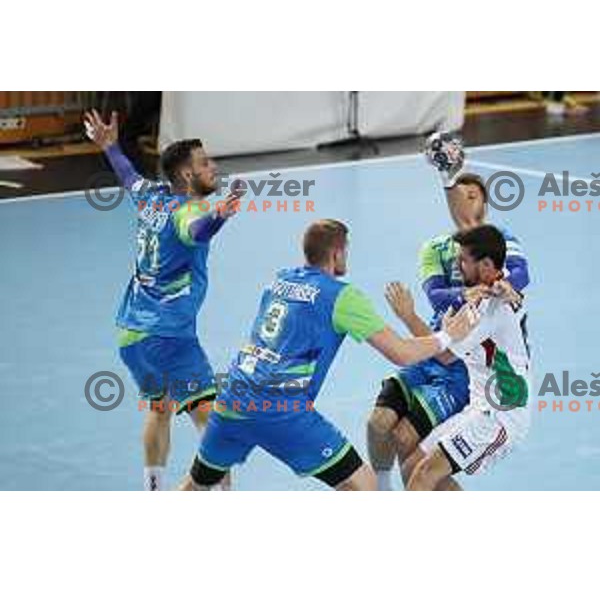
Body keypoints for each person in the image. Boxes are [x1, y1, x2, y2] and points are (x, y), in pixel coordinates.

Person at [182, 219, 479, 491]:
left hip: (232, 397)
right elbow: (401, 353)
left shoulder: (280, 280)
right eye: (345, 251)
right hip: (281, 409)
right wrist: (448, 335)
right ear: (336, 254)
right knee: (364, 486)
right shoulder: (341, 295)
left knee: (194, 486)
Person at [84, 110, 241, 490]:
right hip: (169, 337)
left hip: (132, 336)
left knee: (159, 408)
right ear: (187, 175)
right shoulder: (187, 212)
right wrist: (218, 216)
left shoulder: (152, 196)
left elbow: (127, 177)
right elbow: (195, 230)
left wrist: (110, 146)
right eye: (205, 163)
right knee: (214, 426)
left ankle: (152, 490)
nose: (213, 167)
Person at [367, 171, 530, 490]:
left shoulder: (490, 304)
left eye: (463, 262)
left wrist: (409, 316)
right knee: (415, 463)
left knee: (423, 476)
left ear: (484, 266)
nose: (456, 268)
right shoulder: (483, 293)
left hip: (499, 413)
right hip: (477, 406)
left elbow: (442, 354)